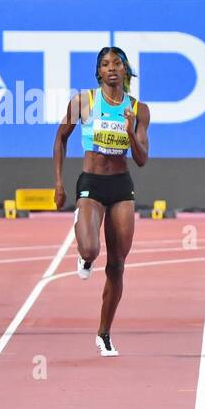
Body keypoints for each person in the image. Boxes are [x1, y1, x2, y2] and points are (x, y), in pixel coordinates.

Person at [53, 47, 151, 357]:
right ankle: (83, 248)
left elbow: (142, 159)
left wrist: (131, 132)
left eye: (117, 64)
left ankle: (104, 333)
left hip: (121, 185)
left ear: (126, 71)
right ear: (98, 72)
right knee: (91, 250)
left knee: (118, 265)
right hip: (91, 183)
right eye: (105, 64)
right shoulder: (83, 102)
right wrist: (58, 182)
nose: (111, 68)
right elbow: (61, 138)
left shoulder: (138, 109)